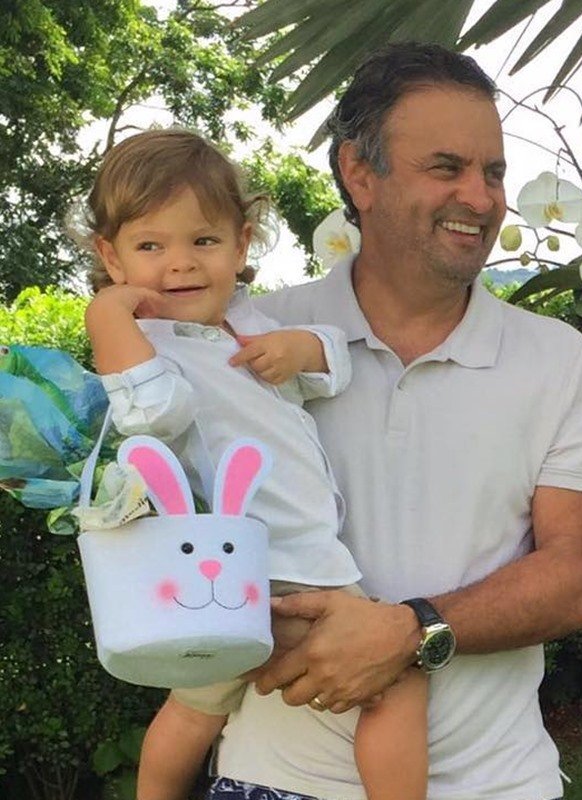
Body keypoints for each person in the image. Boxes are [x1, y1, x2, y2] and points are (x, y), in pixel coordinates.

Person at [207, 42, 582, 800]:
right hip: (275, 779)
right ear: (359, 175)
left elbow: (574, 581)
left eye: (493, 172)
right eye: (447, 167)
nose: (483, 196)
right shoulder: (252, 338)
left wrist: (410, 630)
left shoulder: (556, 359)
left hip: (498, 785)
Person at [80, 129, 428, 800]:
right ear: (111, 256)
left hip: (245, 576)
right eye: (150, 246)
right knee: (398, 683)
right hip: (277, 571)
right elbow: (151, 415)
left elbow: (335, 365)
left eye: (203, 242)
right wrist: (106, 315)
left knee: (193, 710)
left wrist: (304, 348)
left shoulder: (243, 327)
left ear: (241, 245)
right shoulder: (143, 344)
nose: (179, 264)